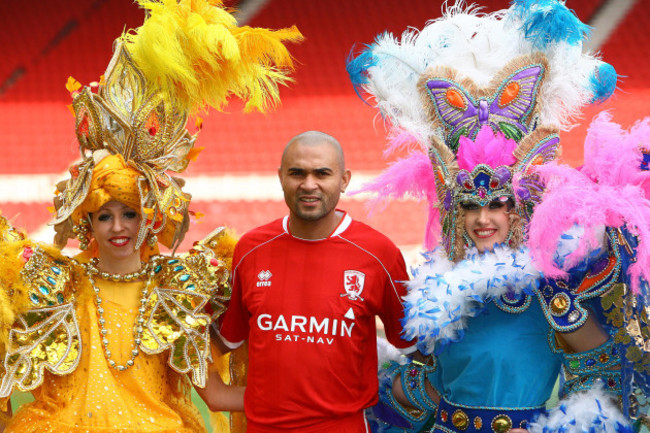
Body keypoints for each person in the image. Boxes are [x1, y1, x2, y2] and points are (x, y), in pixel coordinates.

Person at [346, 1, 649, 432]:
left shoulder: (552, 287)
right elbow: (430, 386)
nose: (482, 218)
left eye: (496, 205)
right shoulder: (441, 282)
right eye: (470, 205)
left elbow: (607, 385)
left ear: (519, 209)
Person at [0, 1, 302, 432]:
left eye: (130, 213)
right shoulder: (55, 282)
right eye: (105, 216)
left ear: (152, 219)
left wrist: (311, 397)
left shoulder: (177, 287)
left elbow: (215, 395)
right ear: (88, 221)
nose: (119, 227)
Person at [214, 130, 417, 433]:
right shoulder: (251, 249)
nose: (309, 184)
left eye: (322, 173)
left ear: (344, 179)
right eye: (297, 173)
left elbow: (416, 348)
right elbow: (222, 340)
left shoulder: (379, 254)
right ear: (281, 177)